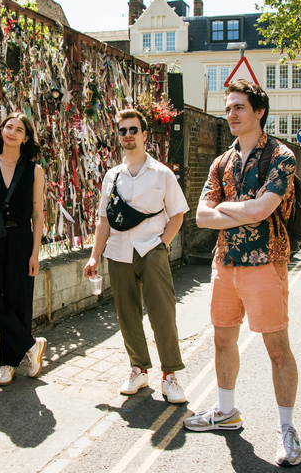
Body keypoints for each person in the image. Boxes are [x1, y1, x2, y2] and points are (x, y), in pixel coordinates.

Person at [183, 80, 301, 467]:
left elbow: (262, 212)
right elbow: (201, 216)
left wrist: (233, 209)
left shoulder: (281, 157)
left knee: (277, 349)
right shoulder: (221, 163)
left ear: (259, 111)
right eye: (228, 108)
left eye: (238, 108)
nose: (231, 114)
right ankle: (226, 412)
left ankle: (286, 428)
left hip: (267, 262)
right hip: (226, 263)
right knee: (221, 342)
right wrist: (244, 206)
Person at [83, 108, 189, 404]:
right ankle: (138, 369)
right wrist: (94, 257)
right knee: (127, 314)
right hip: (118, 252)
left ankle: (170, 376)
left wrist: (163, 244)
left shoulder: (162, 173)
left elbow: (178, 214)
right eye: (123, 131)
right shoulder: (111, 176)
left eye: (133, 130)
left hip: (150, 249)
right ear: (118, 137)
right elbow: (104, 219)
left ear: (145, 135)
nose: (128, 135)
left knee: (162, 313)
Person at [0, 112, 47, 386]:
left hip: (21, 241)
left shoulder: (34, 170)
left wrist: (35, 252)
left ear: (26, 137)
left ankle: (8, 363)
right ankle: (31, 345)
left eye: (19, 129)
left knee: (19, 303)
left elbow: (38, 214)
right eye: (8, 126)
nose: (12, 132)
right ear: (1, 131)